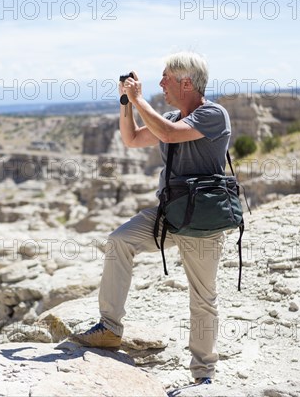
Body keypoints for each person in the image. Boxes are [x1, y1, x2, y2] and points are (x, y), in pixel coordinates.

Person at [69, 52, 231, 385]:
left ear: (186, 83)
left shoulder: (214, 115)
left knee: (202, 298)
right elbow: (131, 139)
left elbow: (171, 134)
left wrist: (140, 98)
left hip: (201, 221)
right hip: (170, 213)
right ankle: (109, 328)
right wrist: (126, 102)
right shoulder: (170, 116)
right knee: (119, 241)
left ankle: (203, 376)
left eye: (166, 78)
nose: (160, 84)